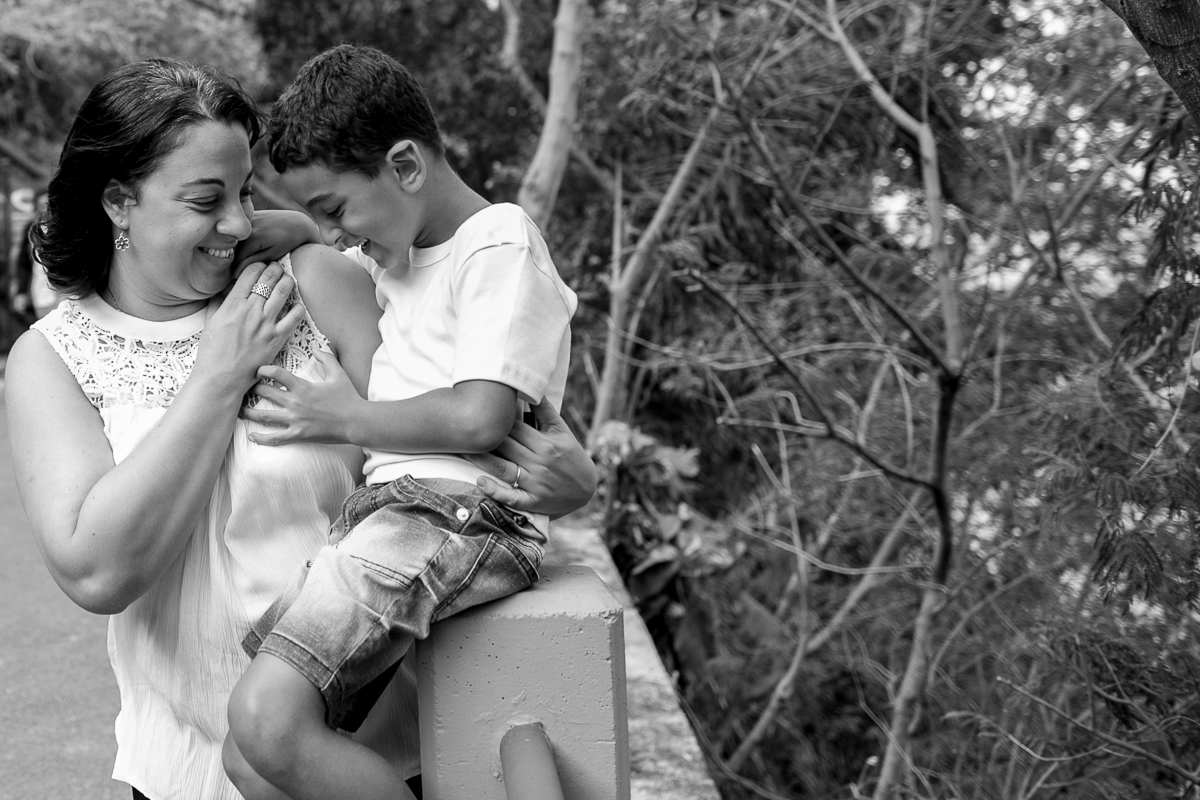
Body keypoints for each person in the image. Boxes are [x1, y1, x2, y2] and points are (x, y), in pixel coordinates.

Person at [5, 57, 596, 800]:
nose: (237, 224)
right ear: (120, 203)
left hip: (377, 765)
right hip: (187, 773)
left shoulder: (316, 283)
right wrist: (219, 375)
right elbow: (97, 570)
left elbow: (465, 422)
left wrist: (571, 485)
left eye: (245, 192)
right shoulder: (53, 358)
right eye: (204, 200)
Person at [222, 44, 578, 800]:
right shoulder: (402, 252)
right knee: (250, 760)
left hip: (456, 513)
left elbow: (482, 413)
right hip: (396, 515)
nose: (340, 235)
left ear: (407, 166)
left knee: (264, 718)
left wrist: (348, 418)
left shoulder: (499, 242)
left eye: (337, 209)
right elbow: (350, 237)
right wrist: (304, 227)